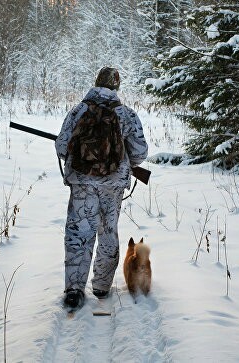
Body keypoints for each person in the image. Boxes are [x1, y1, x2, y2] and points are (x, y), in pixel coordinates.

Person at [55, 67, 149, 309]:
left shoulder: (78, 111)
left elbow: (62, 146)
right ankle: (102, 286)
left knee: (78, 234)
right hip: (112, 186)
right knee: (108, 232)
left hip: (81, 184)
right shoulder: (126, 114)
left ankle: (74, 290)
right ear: (116, 87)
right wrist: (124, 164)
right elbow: (140, 152)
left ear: (95, 82)